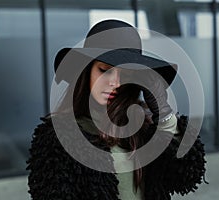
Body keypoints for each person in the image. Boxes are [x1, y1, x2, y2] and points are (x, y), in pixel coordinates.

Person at [26, 19, 207, 200]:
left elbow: (186, 177)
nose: (115, 83)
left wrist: (164, 112)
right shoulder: (59, 137)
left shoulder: (144, 127)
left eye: (125, 73)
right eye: (104, 70)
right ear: (86, 70)